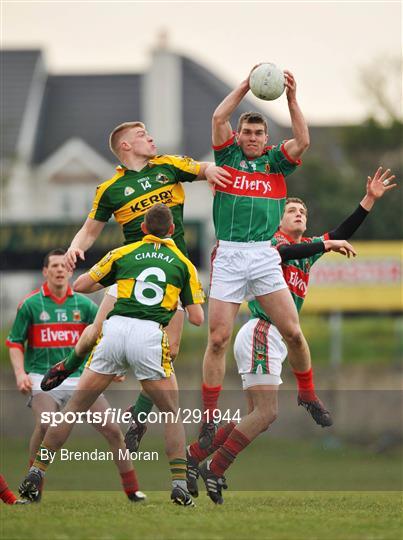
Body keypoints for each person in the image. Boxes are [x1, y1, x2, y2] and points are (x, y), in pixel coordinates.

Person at [188, 166, 397, 503]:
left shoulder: (305, 255)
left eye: (303, 211)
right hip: (261, 330)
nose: (299, 214)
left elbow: (341, 231)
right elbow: (284, 253)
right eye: (292, 210)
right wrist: (325, 245)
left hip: (270, 338)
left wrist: (368, 200)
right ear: (279, 220)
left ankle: (195, 456)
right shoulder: (270, 244)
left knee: (257, 414)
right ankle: (216, 467)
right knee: (267, 413)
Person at [41, 121, 231, 434]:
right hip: (131, 272)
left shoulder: (168, 167)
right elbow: (90, 230)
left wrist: (210, 171)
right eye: (142, 135)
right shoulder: (111, 189)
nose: (151, 138)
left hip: (172, 274)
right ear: (126, 146)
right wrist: (74, 248)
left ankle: (139, 416)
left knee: (169, 352)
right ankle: (68, 365)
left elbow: (203, 167)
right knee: (97, 330)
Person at [19, 204, 205, 507]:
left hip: (114, 329)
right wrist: (176, 301)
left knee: (74, 407)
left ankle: (36, 472)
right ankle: (179, 485)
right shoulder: (184, 264)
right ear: (171, 231)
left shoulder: (122, 254)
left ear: (143, 229)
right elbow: (196, 317)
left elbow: (80, 285)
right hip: (149, 334)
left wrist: (116, 280)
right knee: (172, 412)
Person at [199, 65, 315, 448]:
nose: (251, 137)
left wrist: (293, 100)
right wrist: (247, 84)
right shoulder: (227, 154)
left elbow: (302, 140)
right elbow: (219, 116)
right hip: (230, 254)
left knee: (293, 332)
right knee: (217, 339)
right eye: (246, 131)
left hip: (264, 255)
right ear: (239, 135)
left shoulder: (274, 161)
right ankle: (209, 419)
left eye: (258, 133)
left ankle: (308, 393)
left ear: (266, 137)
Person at [6, 249, 144, 502]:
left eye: (63, 266)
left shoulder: (85, 305)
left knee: (113, 430)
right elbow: (15, 342)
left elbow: (104, 335)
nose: (60, 270)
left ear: (70, 272)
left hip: (81, 379)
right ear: (45, 272)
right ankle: (33, 486)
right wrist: (19, 374)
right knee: (46, 423)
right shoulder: (31, 304)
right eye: (54, 266)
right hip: (42, 379)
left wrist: (111, 367)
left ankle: (132, 489)